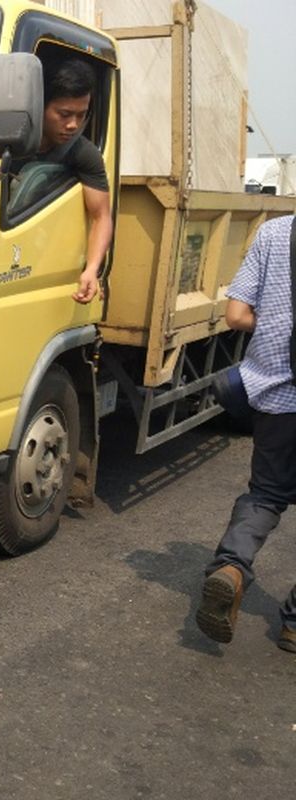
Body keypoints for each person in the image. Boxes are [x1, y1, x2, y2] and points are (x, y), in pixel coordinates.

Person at [196, 214, 295, 654]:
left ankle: (232, 569)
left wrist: (276, 326)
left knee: (266, 494)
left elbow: (235, 315)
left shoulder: (275, 233)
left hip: (276, 398)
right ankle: (294, 626)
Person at [9, 58, 112, 305]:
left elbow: (101, 216)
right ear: (39, 106)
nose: (73, 125)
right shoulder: (6, 143)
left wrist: (92, 269)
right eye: (64, 114)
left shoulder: (84, 154)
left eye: (81, 115)